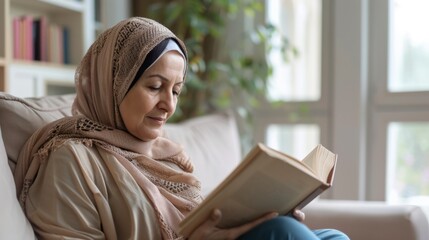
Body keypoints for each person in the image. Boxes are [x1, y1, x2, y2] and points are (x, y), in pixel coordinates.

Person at [14, 17, 349, 240]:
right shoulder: (69, 160)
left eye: (176, 90)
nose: (168, 105)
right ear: (113, 84)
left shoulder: (166, 155)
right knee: (284, 232)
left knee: (329, 236)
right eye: (155, 86)